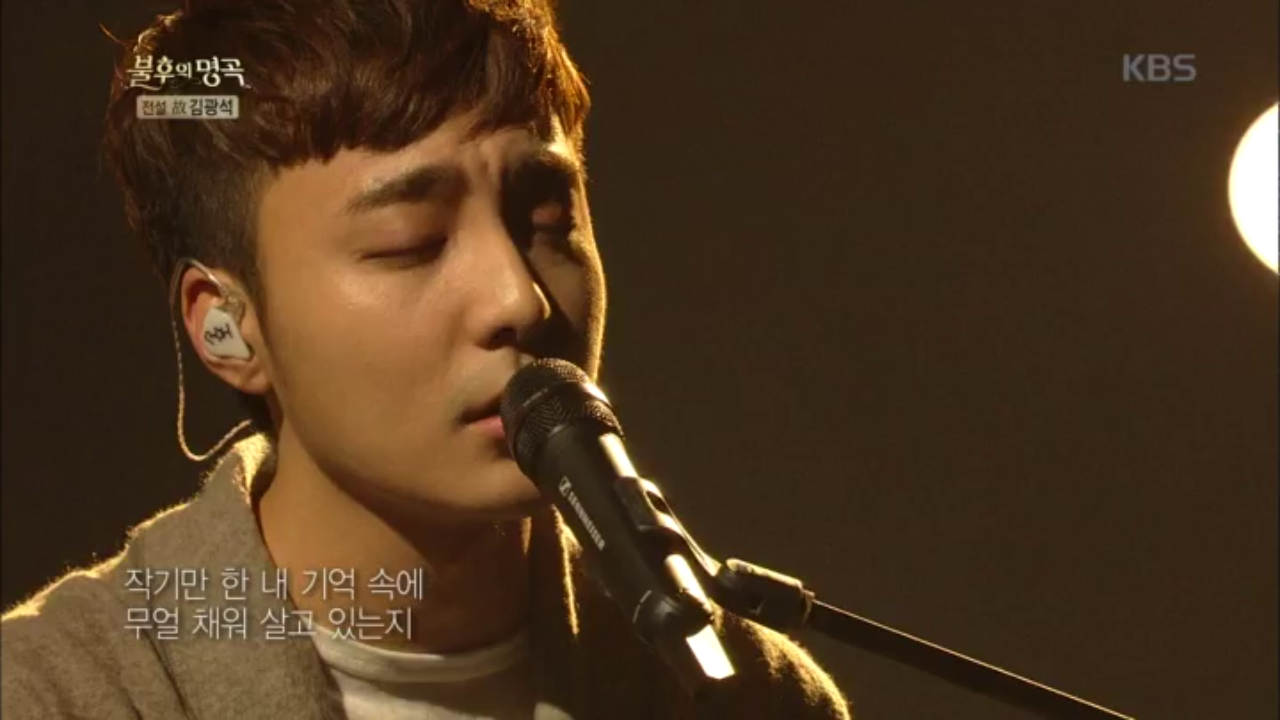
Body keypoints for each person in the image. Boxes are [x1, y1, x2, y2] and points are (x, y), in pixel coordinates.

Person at [1, 1, 853, 718]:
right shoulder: (52, 696)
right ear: (227, 327)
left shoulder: (751, 696)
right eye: (410, 242)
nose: (517, 300)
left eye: (547, 221)